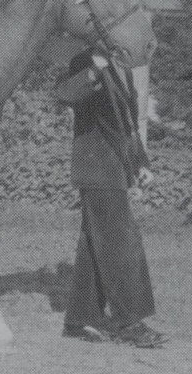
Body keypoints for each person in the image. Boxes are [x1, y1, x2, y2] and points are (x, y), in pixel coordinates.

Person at [55, 48, 168, 348]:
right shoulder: (84, 60)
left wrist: (140, 162)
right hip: (95, 167)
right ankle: (129, 321)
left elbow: (126, 126)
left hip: (115, 168)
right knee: (121, 240)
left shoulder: (123, 70)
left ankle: (81, 319)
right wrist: (94, 70)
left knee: (94, 243)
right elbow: (65, 93)